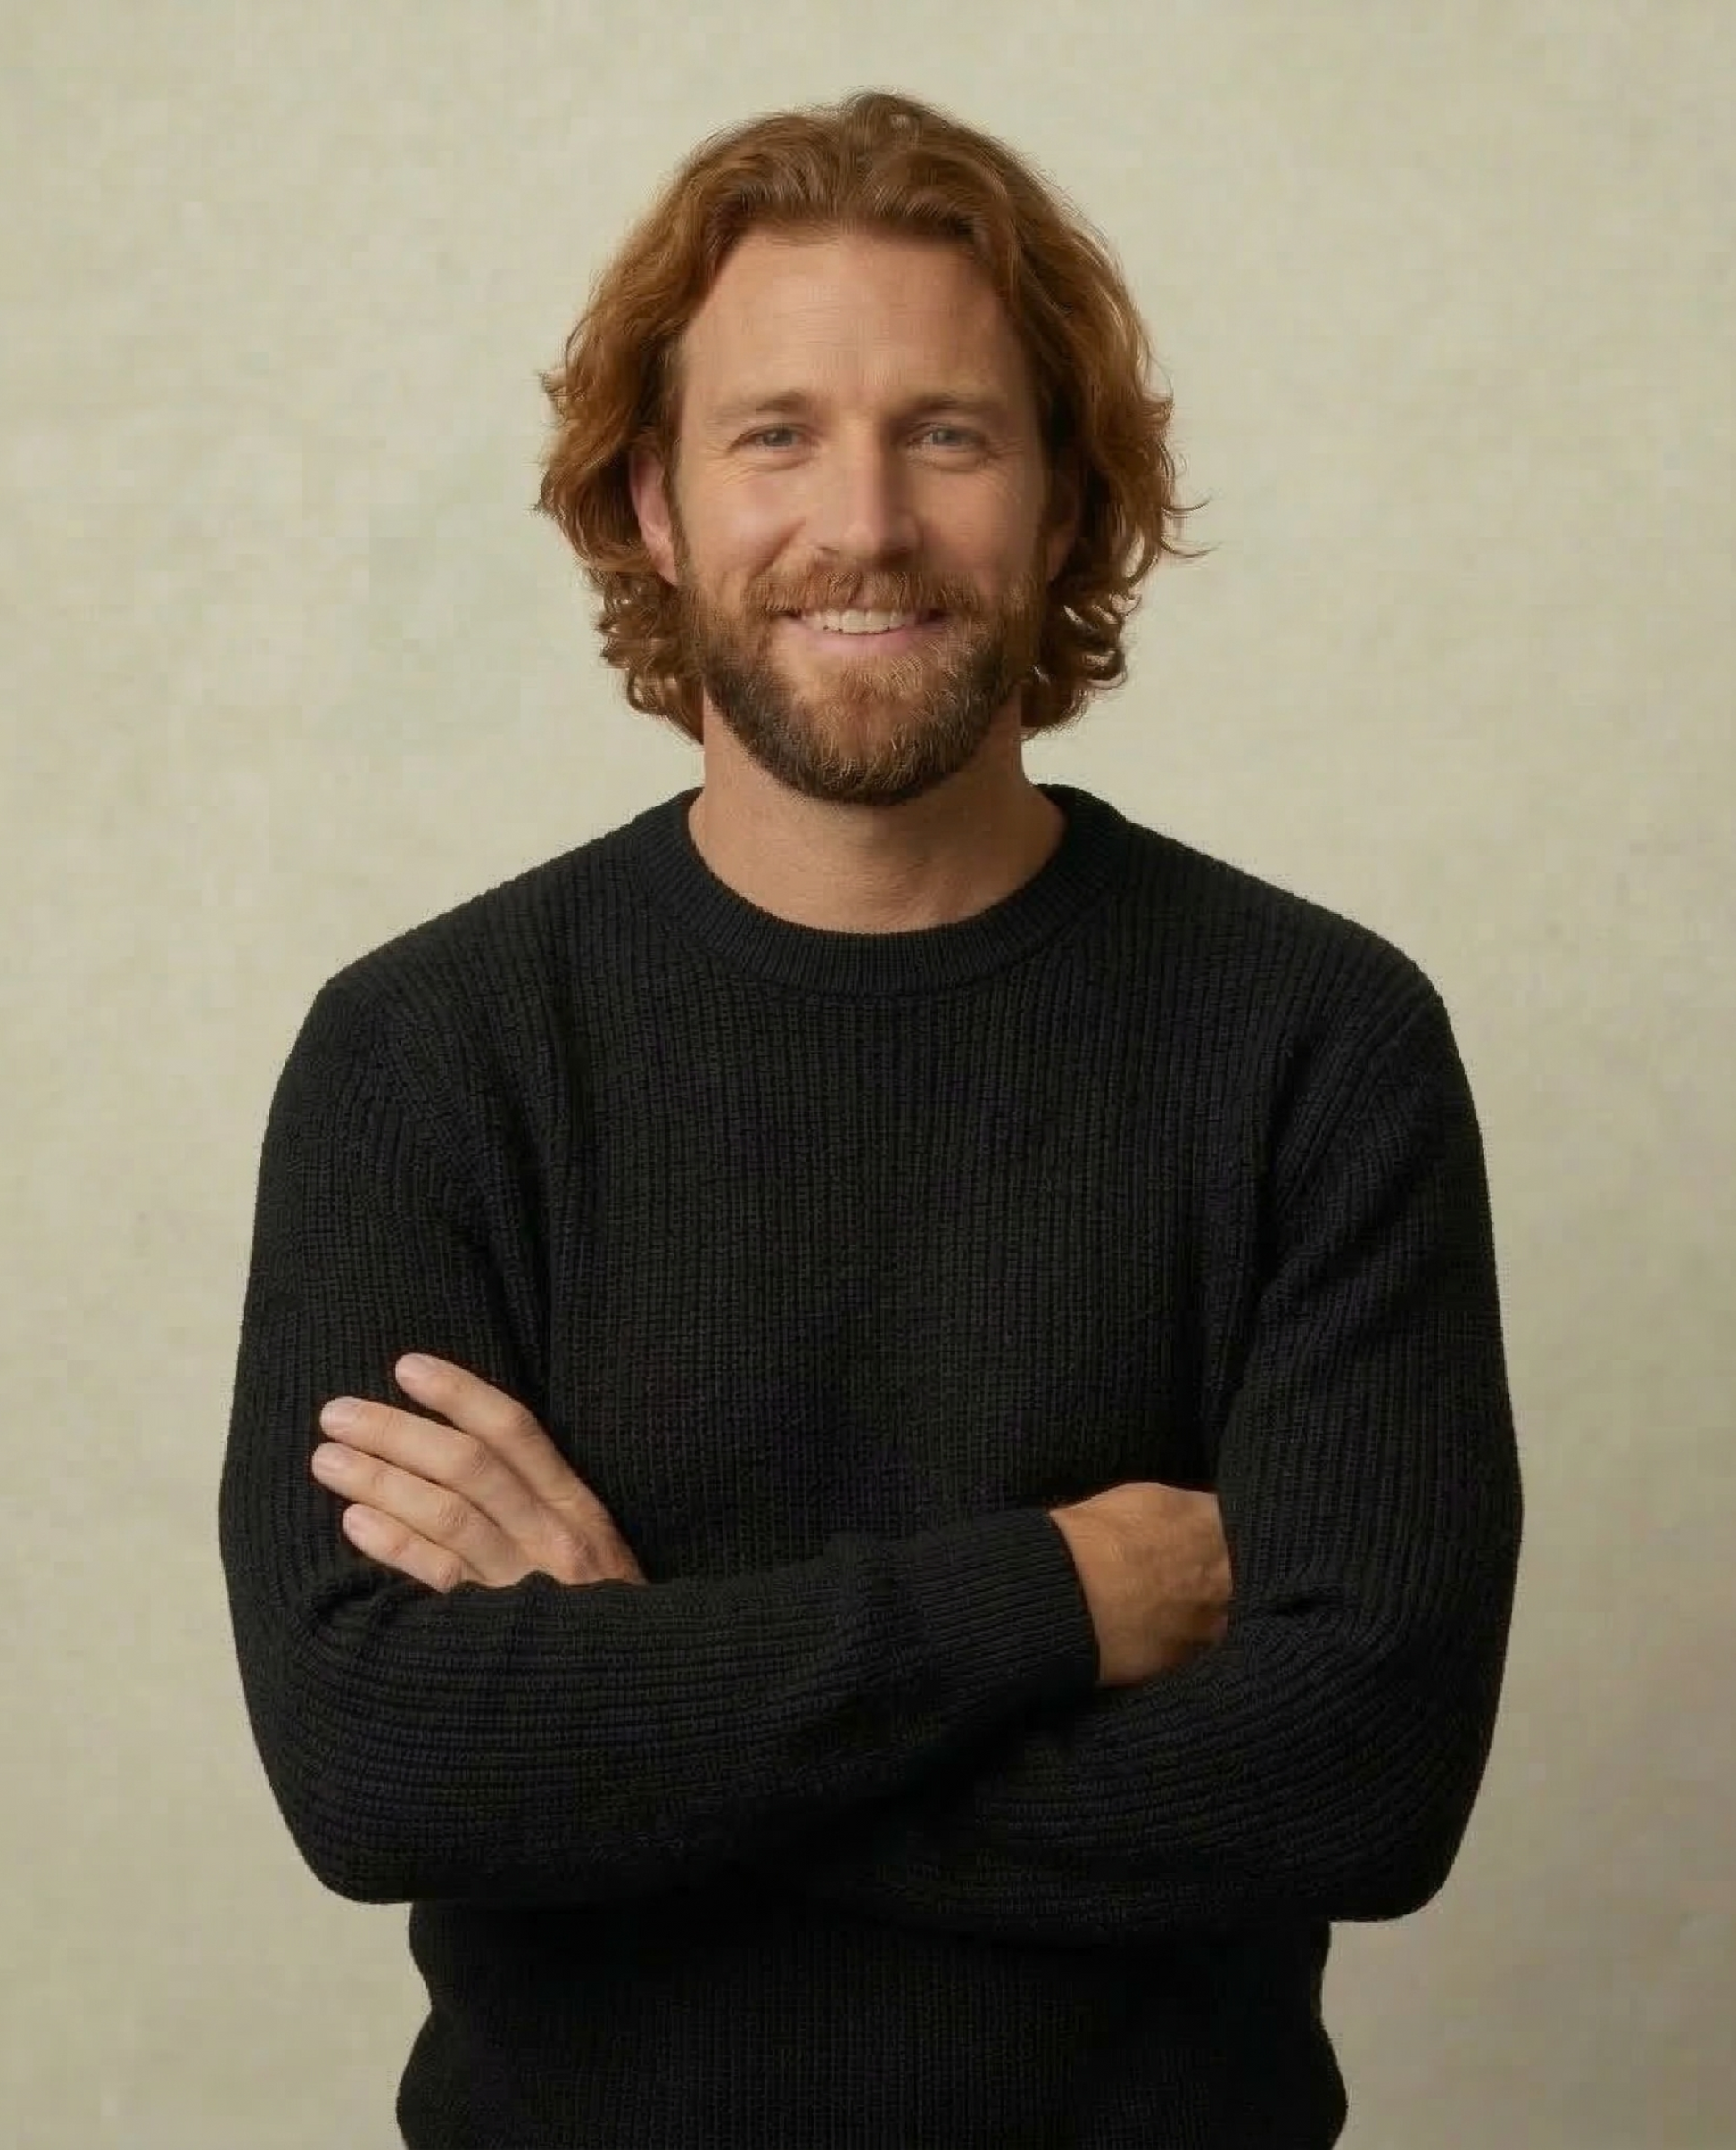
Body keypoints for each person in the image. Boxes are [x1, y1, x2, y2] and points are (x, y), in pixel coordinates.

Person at [218, 88, 1524, 2150]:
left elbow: (1360, 1779)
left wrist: (634, 1700)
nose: (866, 522)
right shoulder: (426, 1054)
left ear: (1065, 500)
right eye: (775, 434)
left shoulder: (1316, 1041)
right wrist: (1050, 1598)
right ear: (652, 503)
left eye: (949, 434)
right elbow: (376, 1763)